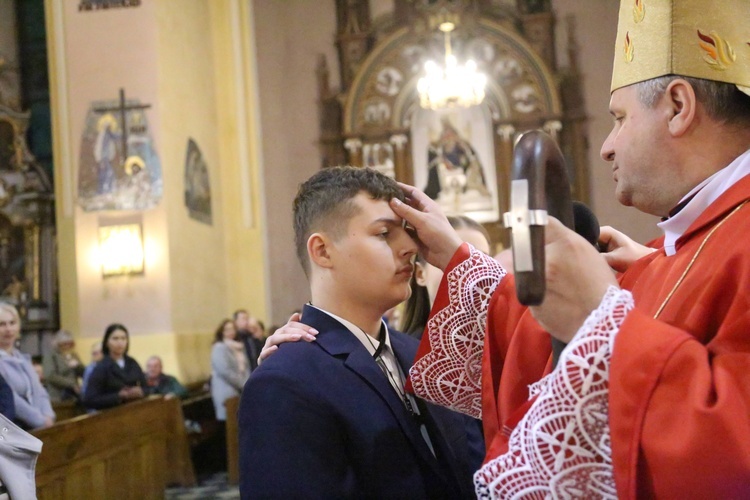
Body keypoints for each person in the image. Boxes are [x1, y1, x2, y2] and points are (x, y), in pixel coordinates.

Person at [389, 1, 750, 497]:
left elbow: (731, 451)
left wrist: (604, 318)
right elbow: (552, 351)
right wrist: (456, 258)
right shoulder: (673, 249)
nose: (607, 146)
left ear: (678, 106)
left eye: (620, 117)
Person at [239, 166, 478, 498]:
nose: (411, 247)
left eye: (408, 231)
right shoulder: (285, 382)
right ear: (322, 251)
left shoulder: (420, 353)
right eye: (384, 233)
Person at [401, 215, 492, 337]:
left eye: (480, 261)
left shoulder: (504, 346)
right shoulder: (403, 352)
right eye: (452, 261)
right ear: (420, 274)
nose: (468, 273)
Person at [0, 303, 55, 429]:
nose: (8, 329)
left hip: (39, 426)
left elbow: (39, 390)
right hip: (15, 427)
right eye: (2, 324)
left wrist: (48, 415)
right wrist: (40, 420)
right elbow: (10, 398)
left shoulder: (22, 359)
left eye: (12, 323)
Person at [83, 323, 145, 410]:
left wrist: (141, 391)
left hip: (134, 410)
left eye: (123, 338)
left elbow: (147, 387)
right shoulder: (101, 367)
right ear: (107, 342)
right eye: (115, 338)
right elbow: (89, 399)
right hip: (111, 414)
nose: (120, 342)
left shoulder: (132, 363)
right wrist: (118, 396)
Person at [42, 329, 85, 402]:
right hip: (58, 396)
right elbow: (50, 375)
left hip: (73, 395)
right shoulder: (51, 356)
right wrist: (71, 384)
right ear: (58, 344)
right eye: (64, 344)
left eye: (70, 343)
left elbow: (83, 373)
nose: (67, 346)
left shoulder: (73, 355)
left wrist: (78, 366)